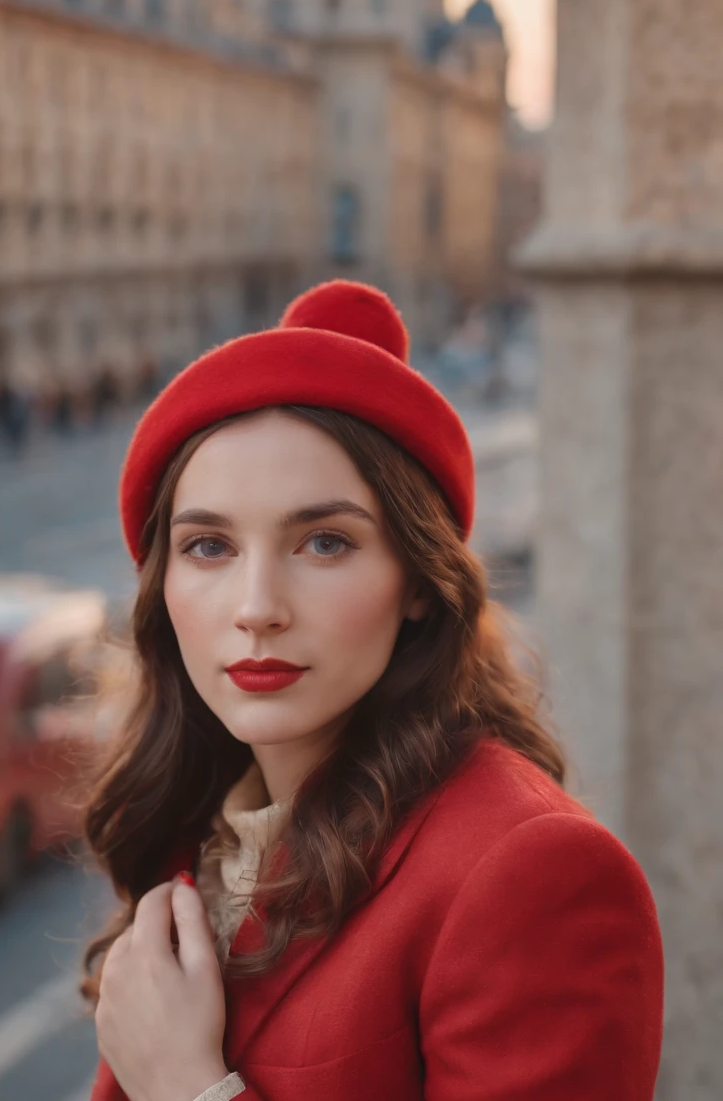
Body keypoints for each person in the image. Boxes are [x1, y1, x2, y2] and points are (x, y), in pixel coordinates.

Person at [83, 280, 663, 1101]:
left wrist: (189, 1089)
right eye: (209, 545)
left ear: (419, 581)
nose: (257, 610)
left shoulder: (533, 873)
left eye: (324, 542)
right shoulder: (199, 828)